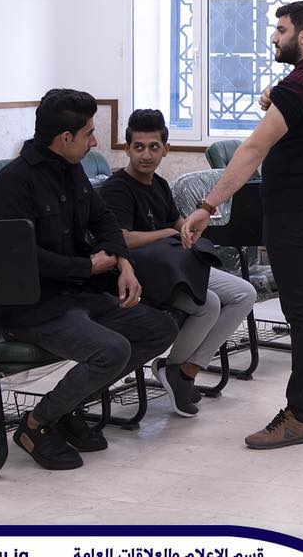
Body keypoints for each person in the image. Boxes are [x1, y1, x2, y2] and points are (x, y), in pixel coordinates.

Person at [180, 0, 303, 450]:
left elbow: (252, 150)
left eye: (280, 30)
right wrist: (278, 97)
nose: (273, 38)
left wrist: (208, 205)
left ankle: (300, 416)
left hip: (296, 213)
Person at [0, 89, 178, 471]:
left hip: (78, 295)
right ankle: (36, 424)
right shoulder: (14, 182)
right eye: (89, 133)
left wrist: (124, 263)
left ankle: (67, 406)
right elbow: (23, 257)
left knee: (160, 328)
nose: (94, 142)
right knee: (112, 350)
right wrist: (86, 268)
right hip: (34, 306)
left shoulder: (72, 168)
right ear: (65, 138)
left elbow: (104, 219)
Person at [100, 109, 258, 417]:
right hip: (143, 275)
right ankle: (178, 372)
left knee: (244, 294)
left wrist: (189, 227)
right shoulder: (117, 188)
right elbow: (123, 239)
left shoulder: (158, 184)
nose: (146, 155)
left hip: (175, 267)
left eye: (154, 147)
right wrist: (169, 233)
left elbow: (177, 223)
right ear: (127, 148)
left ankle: (184, 370)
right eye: (138, 147)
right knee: (208, 303)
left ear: (166, 149)